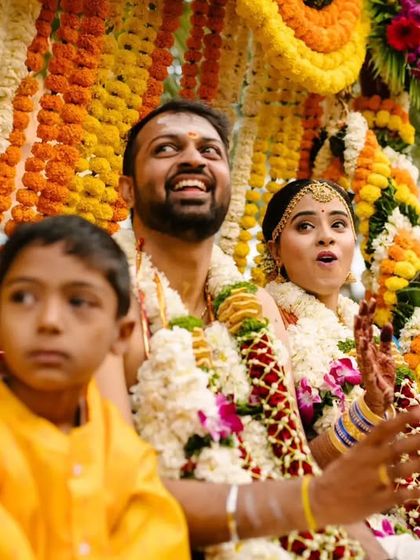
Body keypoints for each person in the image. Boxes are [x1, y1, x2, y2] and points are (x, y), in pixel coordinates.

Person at [97, 99, 420, 559]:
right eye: (167, 148)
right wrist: (309, 498)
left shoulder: (252, 310)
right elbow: (112, 482)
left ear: (228, 184)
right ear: (127, 190)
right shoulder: (104, 297)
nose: (193, 158)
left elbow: (292, 459)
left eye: (210, 151)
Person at [0, 215, 190, 559]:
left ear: (120, 335)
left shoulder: (126, 457)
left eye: (78, 301)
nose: (49, 321)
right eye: (24, 297)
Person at [261, 178, 420, 557]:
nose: (325, 238)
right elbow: (288, 465)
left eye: (338, 224)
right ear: (275, 252)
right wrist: (368, 409)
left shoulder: (367, 332)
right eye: (304, 226)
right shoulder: (268, 323)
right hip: (338, 529)